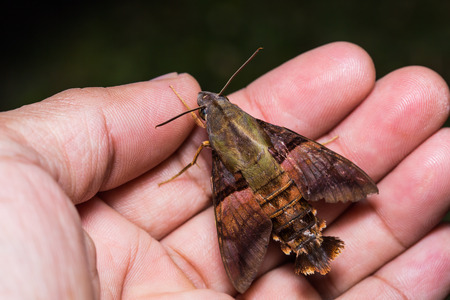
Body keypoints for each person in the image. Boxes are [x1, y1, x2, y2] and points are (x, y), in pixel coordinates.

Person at [0, 42, 449, 299]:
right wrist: (321, 154)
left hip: (239, 186)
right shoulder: (272, 133)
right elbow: (294, 143)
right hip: (280, 158)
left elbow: (199, 155)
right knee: (309, 156)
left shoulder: (210, 150)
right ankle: (313, 243)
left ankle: (307, 247)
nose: (210, 102)